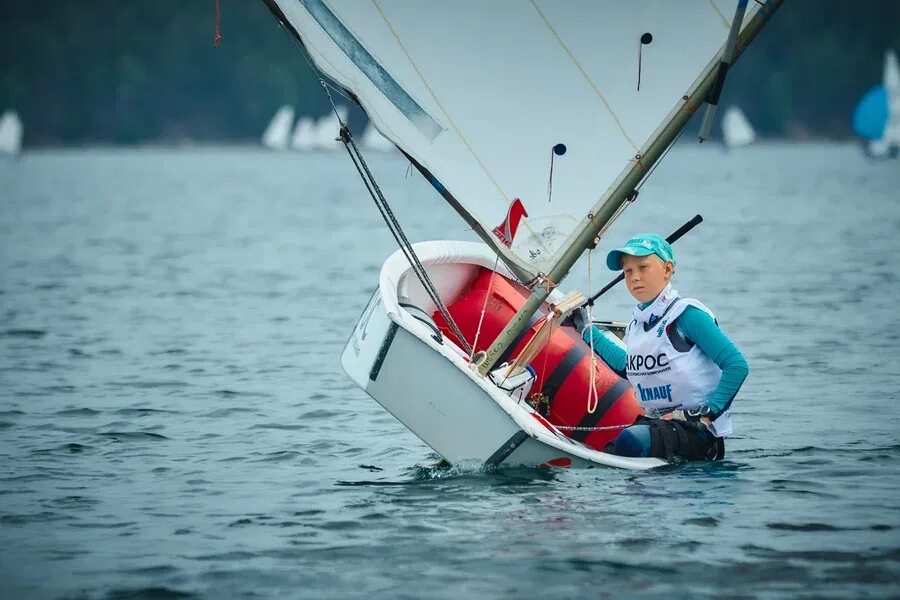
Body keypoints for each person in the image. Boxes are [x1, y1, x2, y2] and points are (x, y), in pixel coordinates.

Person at [575, 233, 749, 462]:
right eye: (628, 271)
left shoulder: (687, 315)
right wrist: (586, 330)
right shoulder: (638, 323)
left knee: (630, 441)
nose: (634, 277)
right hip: (660, 427)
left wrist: (706, 415)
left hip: (697, 434)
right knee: (610, 449)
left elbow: (737, 365)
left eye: (643, 267)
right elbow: (625, 367)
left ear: (667, 270)